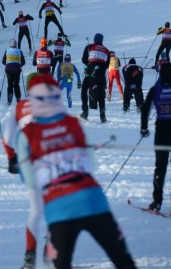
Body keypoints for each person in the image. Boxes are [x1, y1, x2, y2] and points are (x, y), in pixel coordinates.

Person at [16, 72, 137, 269]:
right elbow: (90, 165)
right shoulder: (72, 123)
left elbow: (30, 180)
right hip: (93, 200)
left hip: (59, 208)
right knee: (123, 261)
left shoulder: (26, 134)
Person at [2, 76, 46, 269]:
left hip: (30, 162)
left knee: (36, 211)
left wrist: (12, 160)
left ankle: (30, 259)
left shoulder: (19, 106)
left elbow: (7, 140)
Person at [141, 61, 171, 211]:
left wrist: (144, 127)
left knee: (160, 167)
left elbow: (145, 108)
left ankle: (156, 201)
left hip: (162, 131)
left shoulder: (155, 89)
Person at [81, 33, 110, 122]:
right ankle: (102, 115)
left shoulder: (89, 47)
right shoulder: (106, 50)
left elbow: (84, 60)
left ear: (94, 39)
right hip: (101, 74)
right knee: (101, 94)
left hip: (90, 72)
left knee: (84, 89)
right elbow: (107, 65)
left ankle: (85, 111)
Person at [2, 39, 26, 105]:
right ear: (16, 45)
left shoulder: (7, 50)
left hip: (9, 70)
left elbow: (3, 61)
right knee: (16, 85)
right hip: (17, 70)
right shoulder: (19, 51)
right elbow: (23, 62)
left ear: (10, 45)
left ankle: (9, 100)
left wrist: (7, 64)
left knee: (10, 85)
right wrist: (19, 65)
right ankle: (18, 99)